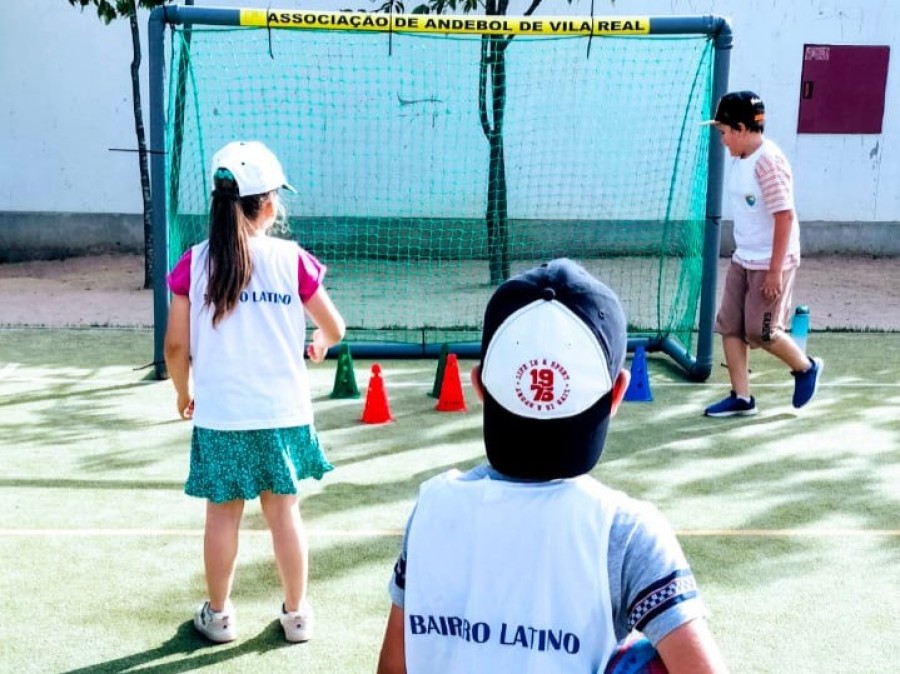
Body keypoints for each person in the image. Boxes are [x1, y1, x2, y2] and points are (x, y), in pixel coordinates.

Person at [376, 258, 730, 674]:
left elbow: (392, 668)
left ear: (479, 386)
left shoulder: (432, 508)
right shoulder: (626, 532)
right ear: (618, 392)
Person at [164, 140, 346, 644]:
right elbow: (335, 327)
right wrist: (321, 344)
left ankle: (219, 616)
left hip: (221, 414)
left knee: (222, 514)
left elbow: (176, 346)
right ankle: (297, 614)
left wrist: (182, 393)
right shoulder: (291, 259)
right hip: (283, 413)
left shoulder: (194, 262)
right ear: (267, 206)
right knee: (284, 512)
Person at [702, 91, 823, 417]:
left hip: (771, 262)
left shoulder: (768, 163)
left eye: (724, 132)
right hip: (744, 257)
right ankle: (742, 398)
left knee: (761, 331)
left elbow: (785, 217)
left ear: (741, 129)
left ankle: (806, 367)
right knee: (729, 325)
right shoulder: (740, 157)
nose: (722, 140)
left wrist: (774, 271)